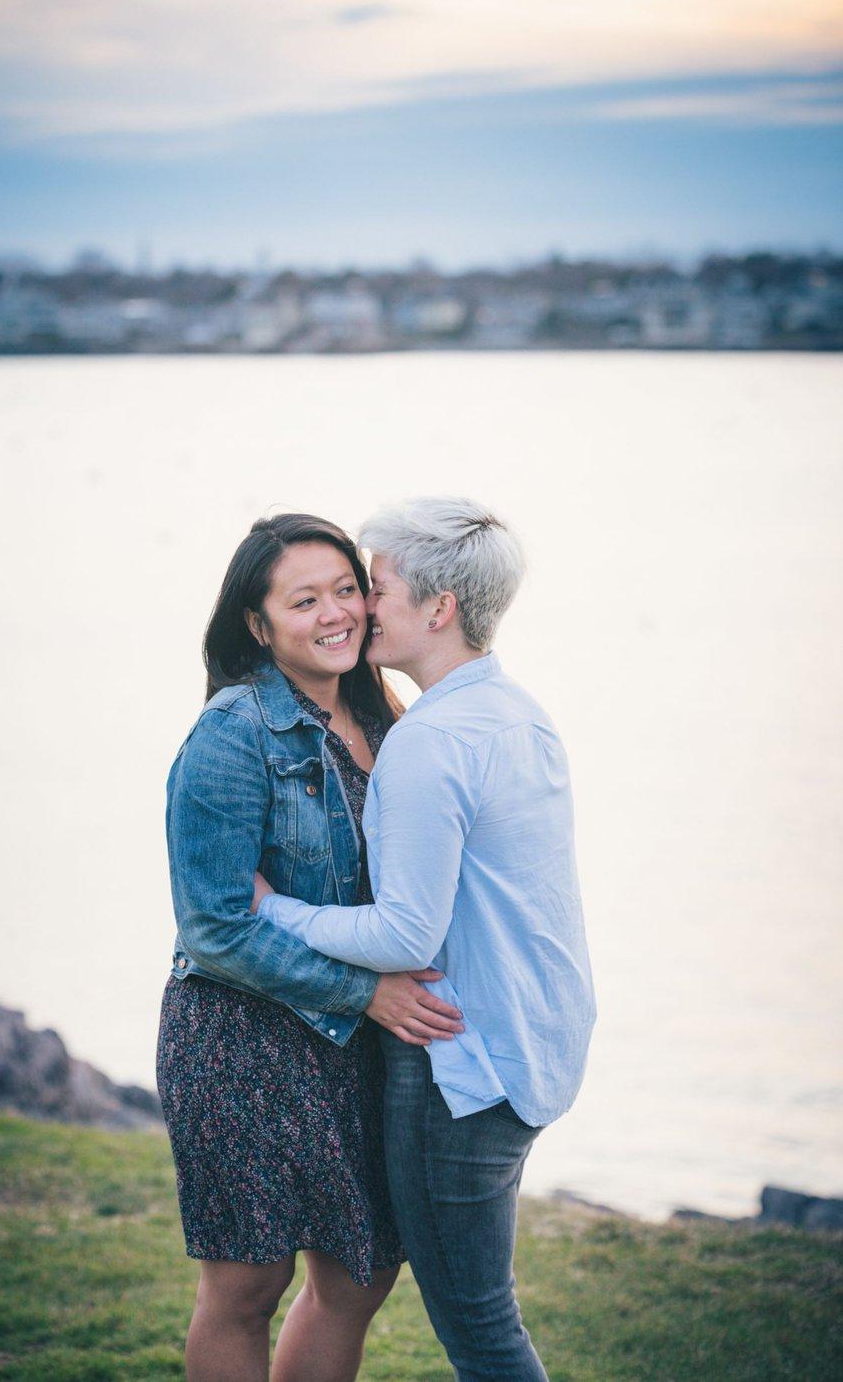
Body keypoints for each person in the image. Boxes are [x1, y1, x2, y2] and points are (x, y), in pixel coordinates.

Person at [253, 497, 596, 1382]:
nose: (360, 606)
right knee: (481, 1315)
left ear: (438, 608)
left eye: (376, 586)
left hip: (462, 1065)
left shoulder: (430, 740)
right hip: (531, 1043)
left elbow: (407, 932)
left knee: (481, 1330)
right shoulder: (516, 713)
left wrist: (272, 911)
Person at [156, 512, 464, 1382]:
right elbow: (213, 925)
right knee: (247, 1284)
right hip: (241, 1035)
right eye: (304, 601)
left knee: (360, 1274)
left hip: (359, 1040)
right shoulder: (233, 731)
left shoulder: (389, 716)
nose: (335, 614)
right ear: (258, 626)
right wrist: (364, 991)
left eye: (346, 590)